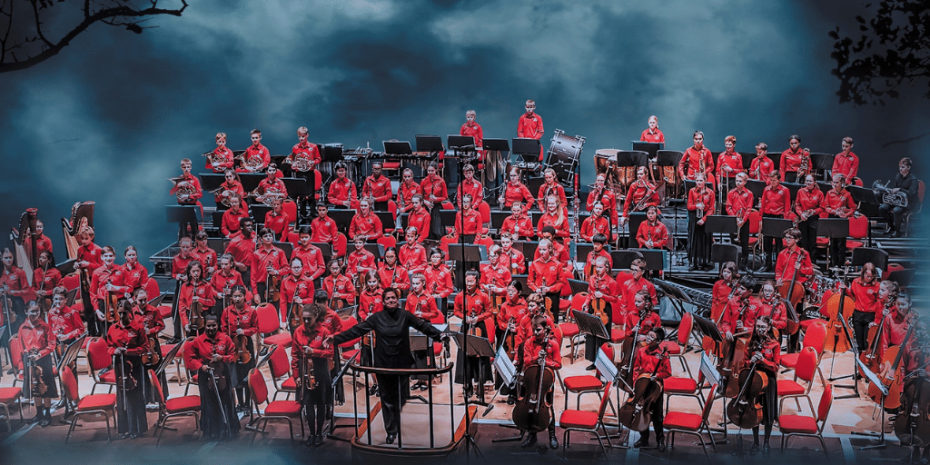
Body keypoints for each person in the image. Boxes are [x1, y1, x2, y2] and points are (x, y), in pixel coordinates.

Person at [332, 287, 447, 444]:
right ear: (384, 301)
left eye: (393, 298)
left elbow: (422, 326)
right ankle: (391, 431)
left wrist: (440, 336)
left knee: (400, 397)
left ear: (397, 300)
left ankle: (395, 420)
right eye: (388, 298)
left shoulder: (405, 315)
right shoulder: (377, 318)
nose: (391, 300)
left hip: (402, 363)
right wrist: (335, 340)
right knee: (387, 398)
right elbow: (356, 331)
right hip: (383, 364)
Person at [184, 314, 239, 439]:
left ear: (217, 325)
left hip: (222, 373)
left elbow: (233, 355)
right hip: (206, 375)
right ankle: (211, 431)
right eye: (208, 326)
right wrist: (201, 366)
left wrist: (222, 358)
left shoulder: (225, 338)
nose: (211, 328)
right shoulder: (198, 341)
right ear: (205, 325)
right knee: (209, 402)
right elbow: (191, 358)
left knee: (226, 400)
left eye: (213, 325)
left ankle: (227, 430)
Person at [292, 304, 334, 447]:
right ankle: (311, 433)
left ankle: (319, 433)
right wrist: (296, 376)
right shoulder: (298, 331)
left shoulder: (324, 332)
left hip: (320, 369)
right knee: (308, 403)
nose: (306, 322)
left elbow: (330, 353)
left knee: (321, 402)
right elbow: (294, 355)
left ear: (316, 317)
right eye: (304, 319)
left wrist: (314, 352)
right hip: (304, 370)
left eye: (309, 319)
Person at [106, 300, 149, 439]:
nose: (121, 316)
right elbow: (108, 347)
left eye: (124, 313)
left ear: (130, 312)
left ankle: (137, 428)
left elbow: (145, 347)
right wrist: (115, 350)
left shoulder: (138, 328)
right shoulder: (112, 328)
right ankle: (124, 429)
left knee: (136, 396)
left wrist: (129, 351)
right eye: (119, 313)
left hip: (134, 366)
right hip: (120, 366)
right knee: (122, 396)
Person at [518, 315, 560, 449]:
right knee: (530, 407)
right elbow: (526, 361)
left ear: (545, 329)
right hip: (531, 380)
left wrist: (546, 362)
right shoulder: (529, 342)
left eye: (539, 330)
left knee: (549, 406)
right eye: (534, 330)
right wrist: (537, 358)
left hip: (546, 381)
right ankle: (532, 435)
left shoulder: (553, 344)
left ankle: (552, 435)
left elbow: (558, 364)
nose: (535, 333)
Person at [454, 271, 494, 401]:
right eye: (467, 281)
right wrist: (464, 317)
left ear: (476, 281)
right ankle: (468, 387)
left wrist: (479, 318)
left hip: (479, 327)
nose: (469, 284)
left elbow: (489, 311)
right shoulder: (460, 296)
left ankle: (480, 386)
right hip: (466, 327)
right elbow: (456, 311)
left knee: (480, 356)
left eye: (471, 281)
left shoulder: (483, 296)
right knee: (465, 356)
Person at [630, 326, 670, 452]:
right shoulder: (641, 351)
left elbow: (668, 372)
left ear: (658, 341)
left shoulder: (663, 354)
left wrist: (657, 376)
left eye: (652, 337)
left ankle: (660, 440)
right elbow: (636, 369)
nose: (648, 338)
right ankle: (644, 438)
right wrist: (636, 384)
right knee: (643, 413)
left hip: (655, 388)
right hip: (643, 386)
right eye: (648, 335)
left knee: (657, 416)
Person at [745, 316, 780, 454]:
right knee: (755, 412)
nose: (760, 330)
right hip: (754, 380)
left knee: (768, 414)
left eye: (763, 327)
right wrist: (751, 361)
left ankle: (766, 443)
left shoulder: (774, 344)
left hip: (768, 382)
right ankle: (755, 442)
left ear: (768, 328)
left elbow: (776, 367)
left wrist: (764, 361)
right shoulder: (750, 342)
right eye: (758, 326)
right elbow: (744, 362)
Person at [220, 285, 258, 414]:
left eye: (240, 296)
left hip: (246, 345)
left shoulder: (251, 311)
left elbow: (256, 328)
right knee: (235, 375)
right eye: (235, 296)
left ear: (244, 296)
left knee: (247, 376)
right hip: (233, 346)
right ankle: (240, 403)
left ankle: (247, 404)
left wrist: (245, 331)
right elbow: (223, 329)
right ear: (231, 297)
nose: (237, 299)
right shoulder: (226, 311)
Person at [20, 301, 58, 427]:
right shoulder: (22, 328)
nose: (35, 313)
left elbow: (51, 345)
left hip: (43, 359)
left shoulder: (45, 326)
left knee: (45, 386)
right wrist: (22, 366)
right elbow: (21, 348)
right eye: (32, 311)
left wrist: (40, 354)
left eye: (37, 310)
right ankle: (39, 413)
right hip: (29, 360)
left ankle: (47, 414)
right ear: (26, 312)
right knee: (34, 388)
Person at [406, 272, 443, 390]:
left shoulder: (429, 297)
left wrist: (423, 315)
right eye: (413, 284)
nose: (415, 286)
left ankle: (425, 380)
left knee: (425, 353)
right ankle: (417, 379)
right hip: (413, 326)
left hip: (425, 326)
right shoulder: (410, 297)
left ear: (423, 283)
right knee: (414, 352)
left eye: (417, 284)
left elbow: (435, 313)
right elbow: (406, 311)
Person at [582, 256, 619, 369]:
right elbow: (590, 293)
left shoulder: (611, 282)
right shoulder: (592, 278)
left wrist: (603, 296)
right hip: (593, 307)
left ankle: (603, 362)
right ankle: (593, 361)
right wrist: (586, 303)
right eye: (596, 267)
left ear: (606, 267)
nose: (597, 270)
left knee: (602, 336)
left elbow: (615, 298)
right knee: (592, 334)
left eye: (600, 267)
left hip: (604, 310)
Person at [89, 246, 131, 335]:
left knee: (122, 330)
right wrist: (97, 310)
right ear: (101, 257)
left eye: (110, 256)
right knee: (105, 332)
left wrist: (116, 288)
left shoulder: (122, 270)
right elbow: (92, 293)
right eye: (106, 256)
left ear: (114, 256)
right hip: (103, 303)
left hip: (119, 302)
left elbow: (129, 287)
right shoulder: (96, 272)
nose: (108, 258)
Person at [823, 174, 858, 267]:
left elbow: (853, 208)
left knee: (841, 244)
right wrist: (834, 211)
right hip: (832, 218)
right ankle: (832, 265)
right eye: (833, 182)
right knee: (833, 243)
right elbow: (825, 207)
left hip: (842, 220)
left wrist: (846, 215)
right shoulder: (829, 193)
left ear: (842, 183)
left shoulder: (847, 194)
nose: (834, 184)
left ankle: (840, 265)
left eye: (836, 182)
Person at [760, 171, 792, 272]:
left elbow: (787, 206)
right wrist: (761, 220)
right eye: (771, 180)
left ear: (779, 180)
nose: (772, 182)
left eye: (774, 180)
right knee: (767, 242)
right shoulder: (766, 189)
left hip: (779, 217)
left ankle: (779, 265)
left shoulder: (785, 190)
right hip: (767, 216)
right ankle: (767, 264)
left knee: (778, 243)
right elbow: (762, 205)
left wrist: (785, 220)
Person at [880, 157, 919, 237]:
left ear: (909, 167)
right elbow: (896, 189)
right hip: (899, 201)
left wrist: (900, 189)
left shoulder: (913, 180)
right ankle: (892, 227)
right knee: (882, 208)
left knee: (896, 210)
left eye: (903, 167)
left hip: (910, 203)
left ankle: (897, 232)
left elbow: (911, 194)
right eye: (900, 167)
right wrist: (890, 192)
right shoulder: (898, 176)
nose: (900, 169)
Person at [527, 239, 564, 323]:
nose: (541, 252)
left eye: (544, 249)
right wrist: (536, 289)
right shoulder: (535, 263)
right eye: (540, 249)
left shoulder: (557, 264)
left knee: (553, 319)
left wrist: (549, 289)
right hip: (538, 294)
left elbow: (562, 282)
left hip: (552, 295)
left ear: (550, 249)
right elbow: (530, 281)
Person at [848, 262, 881, 352]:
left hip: (869, 316)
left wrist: (876, 320)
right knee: (859, 343)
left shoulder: (877, 286)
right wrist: (845, 290)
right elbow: (851, 296)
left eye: (871, 277)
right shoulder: (855, 282)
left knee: (867, 343)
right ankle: (859, 359)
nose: (869, 278)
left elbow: (879, 304)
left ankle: (865, 358)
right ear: (863, 273)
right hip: (858, 314)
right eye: (867, 276)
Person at [287, 126, 321, 215]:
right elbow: (292, 160)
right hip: (300, 173)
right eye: (299, 137)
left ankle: (312, 215)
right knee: (301, 195)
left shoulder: (313, 147)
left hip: (309, 173)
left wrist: (312, 162)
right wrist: (293, 165)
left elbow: (318, 159)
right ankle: (302, 216)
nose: (301, 138)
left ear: (307, 135)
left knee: (311, 195)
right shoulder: (295, 148)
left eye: (303, 136)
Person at [250, 228, 288, 305]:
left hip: (275, 285)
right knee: (261, 309)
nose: (268, 238)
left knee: (275, 309)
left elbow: (287, 269)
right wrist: (255, 293)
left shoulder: (279, 252)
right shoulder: (256, 254)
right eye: (265, 236)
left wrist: (276, 272)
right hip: (261, 286)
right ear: (261, 239)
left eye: (270, 236)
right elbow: (253, 275)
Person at [178, 261, 215, 336]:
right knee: (191, 339)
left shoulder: (206, 285)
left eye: (198, 271)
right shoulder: (185, 286)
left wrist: (200, 299)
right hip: (190, 314)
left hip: (203, 315)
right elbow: (182, 306)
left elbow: (212, 302)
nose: (196, 273)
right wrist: (185, 323)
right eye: (193, 271)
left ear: (201, 271)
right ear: (189, 272)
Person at [726, 173, 754, 269]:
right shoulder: (731, 193)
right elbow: (728, 207)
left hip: (744, 221)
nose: (738, 183)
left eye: (740, 181)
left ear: (745, 182)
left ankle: (744, 263)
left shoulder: (749, 193)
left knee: (744, 243)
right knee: (733, 242)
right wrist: (735, 218)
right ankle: (733, 262)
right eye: (737, 181)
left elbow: (749, 209)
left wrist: (743, 220)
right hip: (734, 220)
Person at [686, 175, 714, 270]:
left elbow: (711, 209)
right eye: (697, 180)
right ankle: (693, 262)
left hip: (705, 216)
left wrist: (704, 219)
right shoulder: (692, 191)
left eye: (701, 180)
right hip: (694, 216)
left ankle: (705, 263)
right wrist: (696, 206)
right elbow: (689, 206)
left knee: (706, 240)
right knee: (694, 239)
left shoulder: (710, 192)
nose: (698, 182)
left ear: (705, 181)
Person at [794, 175, 825, 256]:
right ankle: (802, 260)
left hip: (813, 219)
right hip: (803, 218)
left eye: (810, 181)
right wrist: (801, 214)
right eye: (807, 181)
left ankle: (812, 260)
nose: (808, 183)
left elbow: (822, 207)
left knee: (812, 242)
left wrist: (812, 211)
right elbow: (797, 205)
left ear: (814, 182)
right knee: (803, 241)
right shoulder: (800, 191)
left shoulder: (820, 193)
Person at [280, 258, 314, 329]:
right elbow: (283, 301)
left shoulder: (308, 281)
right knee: (294, 333)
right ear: (290, 268)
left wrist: (302, 301)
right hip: (291, 310)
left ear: (302, 267)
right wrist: (283, 320)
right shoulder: (285, 281)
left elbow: (311, 299)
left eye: (298, 267)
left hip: (305, 309)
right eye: (294, 267)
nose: (296, 270)